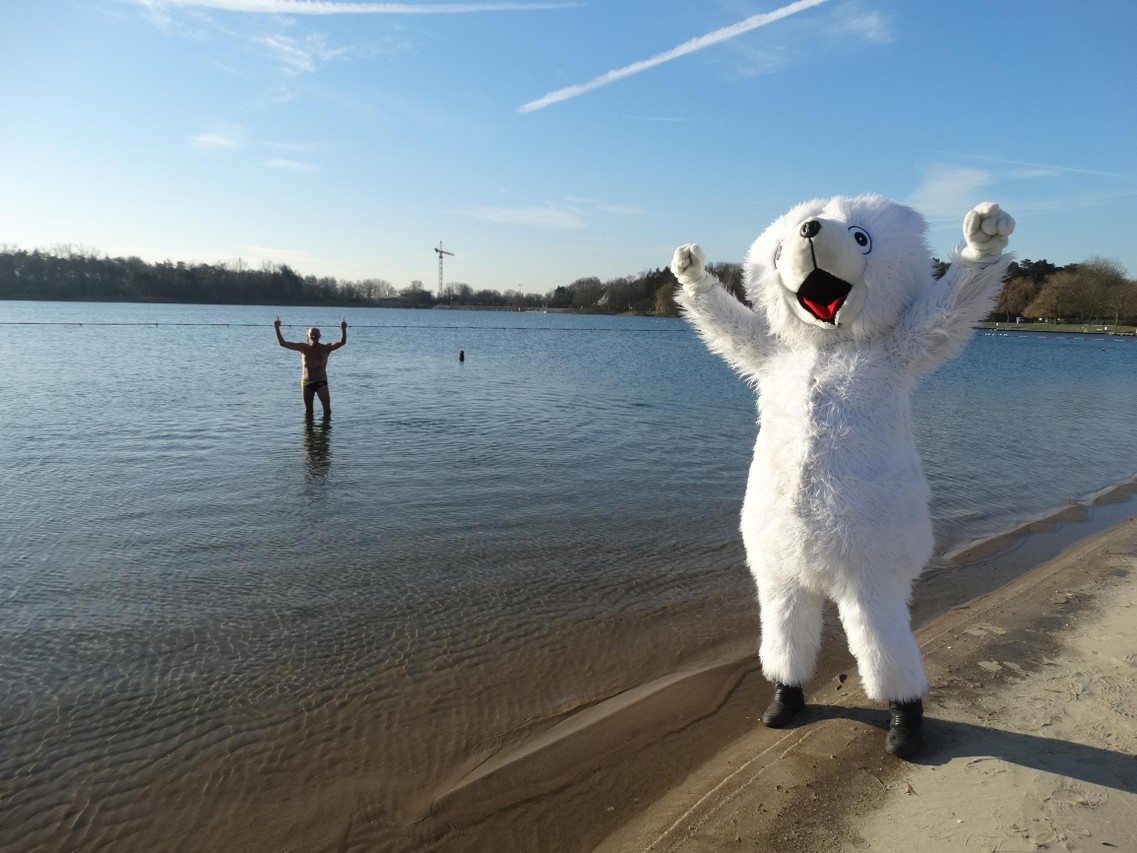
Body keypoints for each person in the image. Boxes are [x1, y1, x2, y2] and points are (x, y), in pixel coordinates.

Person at [274, 316, 347, 418]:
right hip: (306, 383)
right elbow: (283, 343)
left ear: (320, 335)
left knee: (327, 411)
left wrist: (343, 329)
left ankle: (325, 432)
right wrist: (276, 327)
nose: (314, 336)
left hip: (321, 383)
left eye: (316, 334)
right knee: (308, 412)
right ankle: (309, 433)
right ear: (308, 336)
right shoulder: (303, 348)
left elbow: (342, 342)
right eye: (312, 335)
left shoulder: (326, 348)